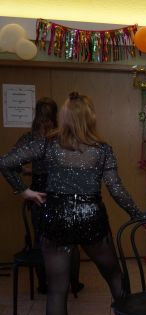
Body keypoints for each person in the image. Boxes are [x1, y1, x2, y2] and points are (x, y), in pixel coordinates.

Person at [0, 92, 146, 315]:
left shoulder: (47, 144)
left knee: (57, 290)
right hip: (91, 218)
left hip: (56, 218)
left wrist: (24, 191)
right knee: (114, 276)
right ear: (91, 118)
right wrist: (139, 216)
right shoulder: (102, 149)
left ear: (64, 117)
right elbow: (116, 189)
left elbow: (5, 162)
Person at [12, 97, 83, 295]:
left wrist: (25, 179)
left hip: (38, 194)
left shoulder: (29, 138)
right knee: (70, 241)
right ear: (56, 115)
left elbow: (11, 163)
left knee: (41, 240)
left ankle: (43, 285)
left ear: (36, 114)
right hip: (62, 193)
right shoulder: (63, 137)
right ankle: (73, 283)